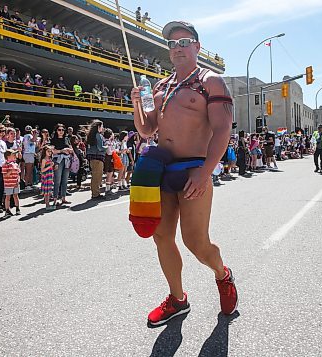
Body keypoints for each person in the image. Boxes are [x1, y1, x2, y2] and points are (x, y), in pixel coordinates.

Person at [130, 20, 238, 327]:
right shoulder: (161, 86)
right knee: (161, 236)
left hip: (194, 169)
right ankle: (178, 299)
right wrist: (137, 104)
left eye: (184, 42)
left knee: (196, 242)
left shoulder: (211, 80)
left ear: (197, 47)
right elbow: (147, 130)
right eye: (171, 44)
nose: (176, 48)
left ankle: (223, 274)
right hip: (161, 172)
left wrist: (205, 173)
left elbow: (222, 129)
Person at [51, 123, 72, 206]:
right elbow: (52, 151)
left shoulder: (67, 139)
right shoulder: (53, 139)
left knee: (65, 180)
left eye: (63, 130)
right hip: (57, 160)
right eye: (59, 130)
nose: (61, 131)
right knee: (57, 180)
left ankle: (63, 198)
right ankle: (55, 199)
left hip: (66, 160)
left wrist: (68, 150)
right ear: (56, 131)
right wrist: (62, 150)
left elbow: (71, 149)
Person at [86, 120, 106, 199]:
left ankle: (95, 192)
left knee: (95, 176)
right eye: (102, 126)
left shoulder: (92, 135)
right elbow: (100, 148)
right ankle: (95, 194)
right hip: (98, 158)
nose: (102, 128)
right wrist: (107, 147)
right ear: (98, 127)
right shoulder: (98, 135)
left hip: (92, 158)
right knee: (97, 176)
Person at [2, 149, 21, 216]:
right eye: (13, 155)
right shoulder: (5, 165)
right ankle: (7, 210)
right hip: (8, 184)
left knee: (16, 195)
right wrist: (10, 171)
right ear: (8, 156)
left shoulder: (16, 164)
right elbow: (4, 175)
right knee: (8, 197)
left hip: (15, 183)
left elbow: (18, 173)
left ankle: (17, 209)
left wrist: (18, 181)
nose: (15, 156)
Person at [22, 126, 37, 190]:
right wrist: (35, 133)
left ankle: (30, 184)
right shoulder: (29, 136)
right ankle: (26, 185)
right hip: (29, 154)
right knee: (28, 171)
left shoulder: (24, 136)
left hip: (28, 153)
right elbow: (33, 139)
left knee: (30, 170)